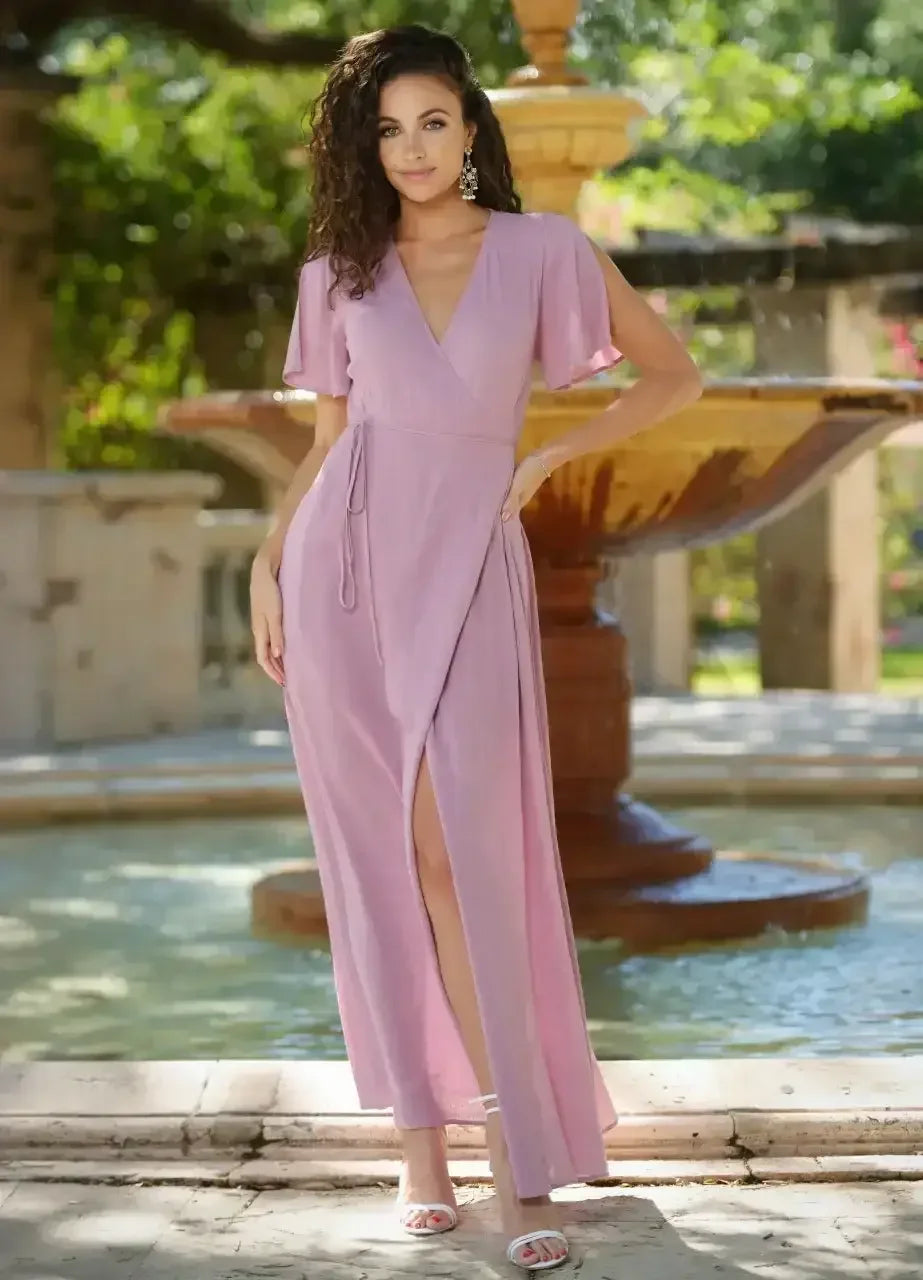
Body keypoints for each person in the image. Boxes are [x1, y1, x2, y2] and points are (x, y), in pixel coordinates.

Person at [249, 23, 702, 1273]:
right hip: (341, 572)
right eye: (387, 128)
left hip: (468, 564)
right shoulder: (339, 272)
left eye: (433, 122)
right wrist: (261, 555)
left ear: (470, 128)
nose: (410, 148)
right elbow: (332, 439)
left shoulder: (542, 250)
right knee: (380, 854)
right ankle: (418, 1149)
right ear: (365, 141)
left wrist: (551, 455)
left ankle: (517, 1163)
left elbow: (673, 375)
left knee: (463, 854)